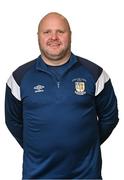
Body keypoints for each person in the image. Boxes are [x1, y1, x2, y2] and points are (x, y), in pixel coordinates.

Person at [5, 12, 119, 179]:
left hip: (86, 175)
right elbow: (13, 121)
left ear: (70, 35)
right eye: (47, 32)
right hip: (37, 175)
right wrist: (36, 147)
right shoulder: (19, 78)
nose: (54, 37)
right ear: (38, 37)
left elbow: (110, 117)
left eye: (60, 31)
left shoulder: (95, 74)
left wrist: (87, 145)